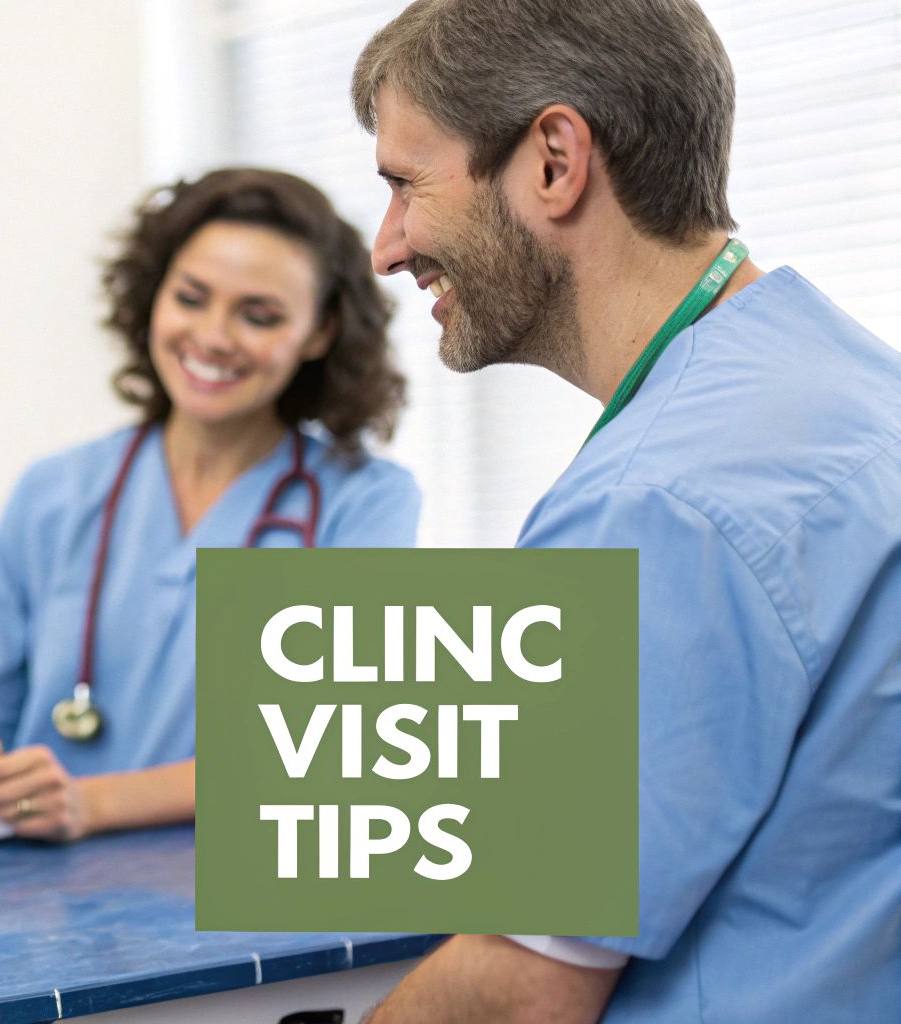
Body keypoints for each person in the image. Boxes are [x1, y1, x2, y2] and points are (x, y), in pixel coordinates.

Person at [350, 1, 901, 1021]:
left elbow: (523, 989)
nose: (385, 249)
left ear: (554, 160)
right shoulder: (858, 392)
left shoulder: (652, 505)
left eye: (403, 185)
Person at [0, 168, 421, 842]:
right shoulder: (53, 493)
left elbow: (336, 752)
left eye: (259, 314)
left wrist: (89, 804)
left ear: (320, 331)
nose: (212, 336)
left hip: (244, 903)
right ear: (153, 299)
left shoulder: (365, 502)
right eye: (191, 297)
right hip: (34, 902)